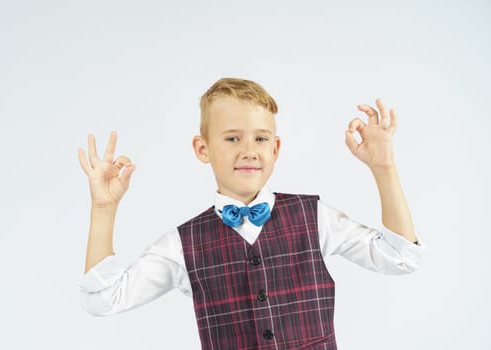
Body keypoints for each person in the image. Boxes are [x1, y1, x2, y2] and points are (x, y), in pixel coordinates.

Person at [78, 78, 423, 349]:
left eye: (260, 139)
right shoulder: (182, 245)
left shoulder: (314, 217)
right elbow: (102, 299)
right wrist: (104, 208)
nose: (248, 151)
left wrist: (384, 168)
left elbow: (400, 258)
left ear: (275, 149)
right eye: (231, 139)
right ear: (203, 149)